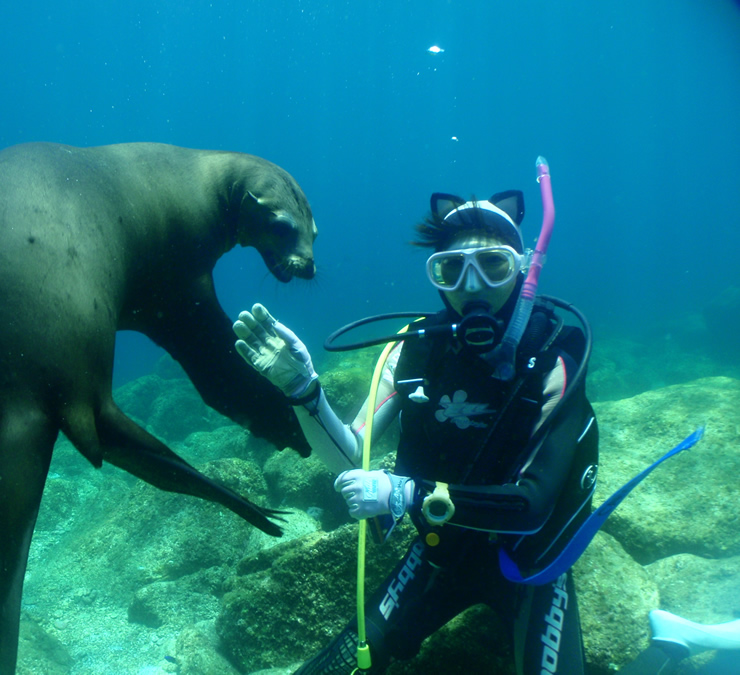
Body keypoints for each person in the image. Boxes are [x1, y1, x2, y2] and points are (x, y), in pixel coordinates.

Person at [232, 189, 740, 674]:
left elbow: (534, 503)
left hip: (531, 569)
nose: (472, 286)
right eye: (452, 269)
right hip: (441, 553)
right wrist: (304, 392)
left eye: (493, 264)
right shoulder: (414, 350)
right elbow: (354, 461)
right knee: (337, 666)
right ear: (436, 277)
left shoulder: (554, 352)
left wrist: (405, 492)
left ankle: (675, 640)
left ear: (523, 269)